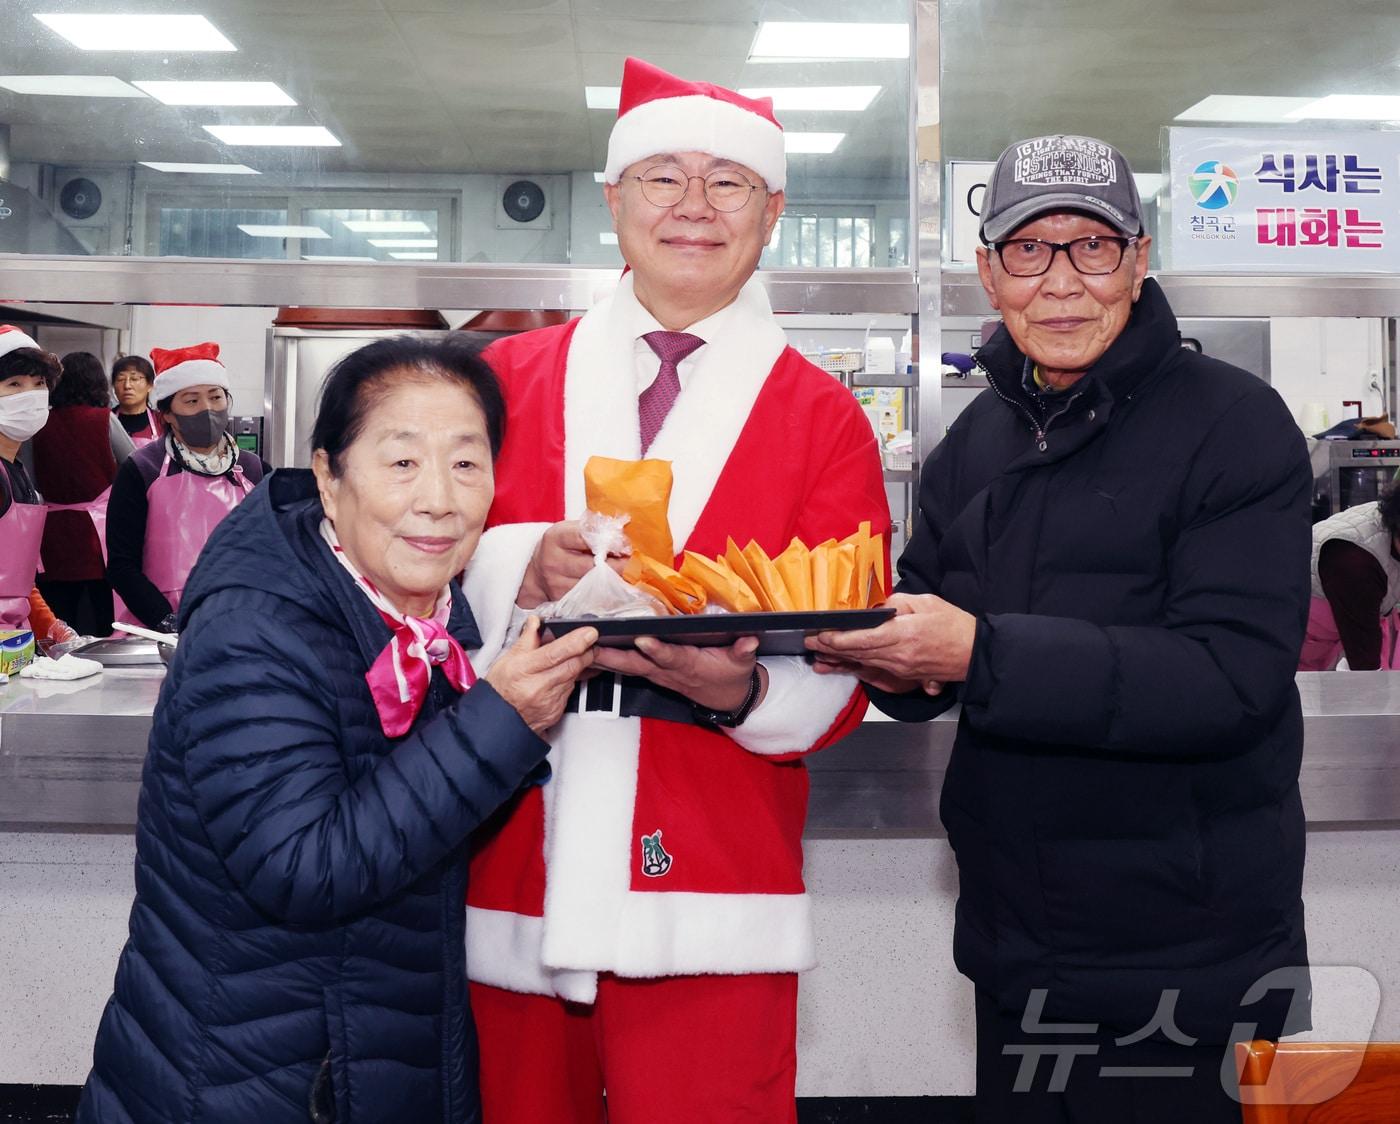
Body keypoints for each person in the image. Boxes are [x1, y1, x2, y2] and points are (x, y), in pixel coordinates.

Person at [809, 134, 1313, 1122]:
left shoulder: (1235, 423)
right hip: (1016, 940)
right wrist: (872, 653)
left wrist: (977, 653)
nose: (1060, 282)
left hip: (1184, 952)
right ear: (987, 273)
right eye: (1028, 250)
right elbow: (928, 609)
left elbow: (1228, 679)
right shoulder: (978, 437)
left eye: (1090, 246)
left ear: (1137, 256)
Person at [459, 57, 890, 1124]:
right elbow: (398, 583)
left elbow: (849, 663)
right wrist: (516, 566)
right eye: (659, 177)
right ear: (611, 199)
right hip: (512, 842)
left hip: (710, 853)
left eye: (728, 182)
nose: (692, 206)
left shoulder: (823, 416)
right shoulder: (504, 380)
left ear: (773, 211)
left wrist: (737, 693)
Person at [74, 336, 599, 1124]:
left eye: (466, 463)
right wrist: (502, 720)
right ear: (327, 474)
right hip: (248, 1078)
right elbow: (302, 864)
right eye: (400, 463)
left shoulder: (419, 611)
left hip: (363, 1048)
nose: (439, 500)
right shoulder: (258, 627)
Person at [106, 342, 269, 632]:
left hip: (239, 623)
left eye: (216, 397)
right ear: (167, 413)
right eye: (192, 401)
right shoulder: (142, 469)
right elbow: (121, 566)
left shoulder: (254, 469)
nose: (207, 409)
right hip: (157, 632)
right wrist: (168, 621)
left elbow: (270, 554)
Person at [33, 352, 132, 637]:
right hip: (97, 533)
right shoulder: (104, 420)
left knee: (58, 615)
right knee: (103, 616)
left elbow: (27, 472)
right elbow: (135, 463)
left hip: (51, 534)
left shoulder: (40, 423)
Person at [0, 328, 79, 653]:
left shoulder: (15, 470)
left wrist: (51, 627)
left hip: (11, 643)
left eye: (39, 384)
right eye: (14, 384)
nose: (30, 395)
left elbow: (16, 578)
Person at [1300, 484, 1400, 669]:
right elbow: (1365, 666)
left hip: (1347, 628)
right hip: (1300, 634)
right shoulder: (1355, 561)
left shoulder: (1391, 523)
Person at [111, 353, 163, 447]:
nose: (127, 386)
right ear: (113, 385)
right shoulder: (105, 421)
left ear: (150, 385)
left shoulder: (162, 422)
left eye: (134, 379)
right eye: (121, 379)